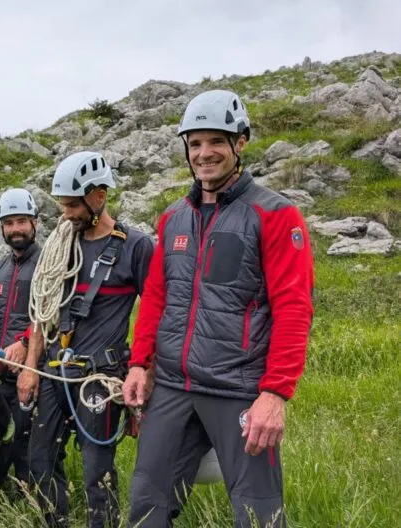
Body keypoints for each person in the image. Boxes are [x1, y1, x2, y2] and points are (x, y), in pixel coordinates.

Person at [122, 90, 315, 527]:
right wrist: (140, 364)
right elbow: (156, 295)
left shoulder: (276, 216)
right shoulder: (173, 218)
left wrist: (275, 393)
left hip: (239, 388)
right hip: (172, 386)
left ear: (240, 143)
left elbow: (294, 307)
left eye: (216, 141)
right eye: (194, 143)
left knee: (258, 513)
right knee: (146, 505)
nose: (204, 153)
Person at [17, 151, 154, 528]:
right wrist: (30, 369)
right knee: (39, 461)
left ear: (99, 196)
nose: (66, 215)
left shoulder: (135, 247)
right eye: (63, 206)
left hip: (100, 375)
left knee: (98, 470)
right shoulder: (61, 247)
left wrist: (143, 379)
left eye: (73, 205)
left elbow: (156, 314)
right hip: (54, 372)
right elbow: (42, 315)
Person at [0, 188, 41, 488]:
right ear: (1, 227)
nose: (16, 229)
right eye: (9, 223)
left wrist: (25, 342)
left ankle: (34, 500)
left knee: (26, 443)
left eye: (21, 222)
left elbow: (54, 312)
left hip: (31, 370)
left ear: (34, 223)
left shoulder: (47, 262)